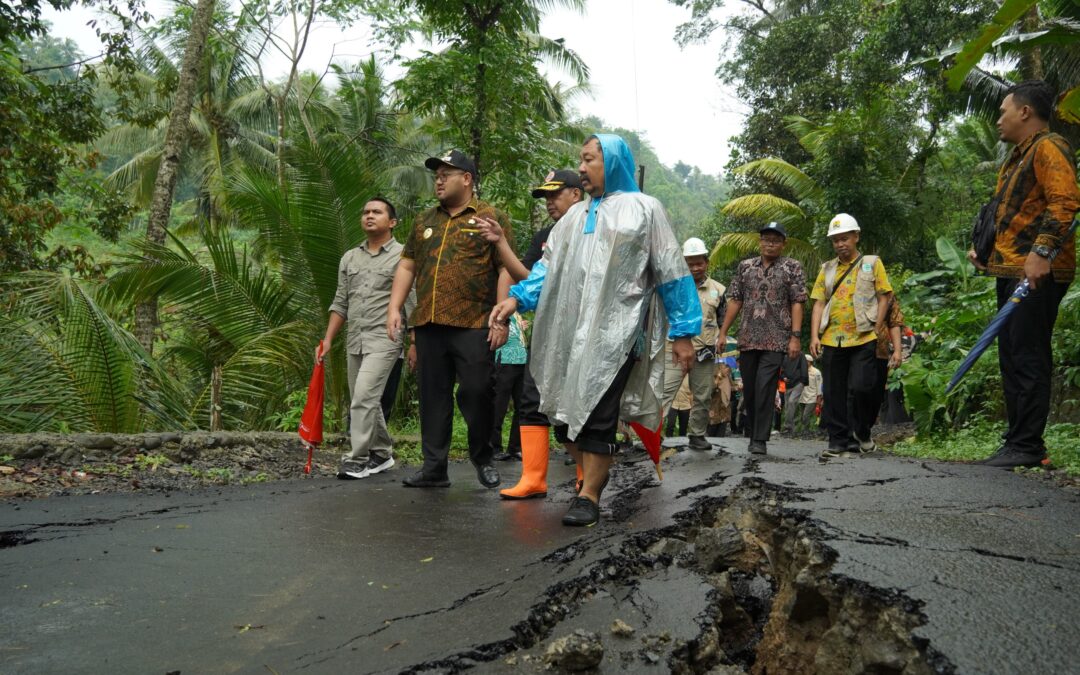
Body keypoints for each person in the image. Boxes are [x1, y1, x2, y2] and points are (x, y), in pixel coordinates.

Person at [490, 133, 701, 527]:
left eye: (590, 159)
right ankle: (590, 476)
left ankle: (589, 495)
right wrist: (516, 299)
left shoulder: (645, 209)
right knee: (561, 416)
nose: (582, 168)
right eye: (581, 160)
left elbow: (671, 271)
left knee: (599, 414)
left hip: (619, 336)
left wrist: (684, 332)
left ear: (613, 161)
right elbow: (546, 270)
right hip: (567, 336)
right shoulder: (572, 219)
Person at [966, 80, 1079, 469]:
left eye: (1004, 111)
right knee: (1012, 356)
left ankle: (1028, 444)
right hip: (1012, 268)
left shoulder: (1049, 147)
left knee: (1028, 355)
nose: (999, 119)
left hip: (1036, 272)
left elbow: (1065, 202)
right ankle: (1018, 441)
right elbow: (1011, 214)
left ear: (1025, 112)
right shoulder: (1017, 157)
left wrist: (1041, 253)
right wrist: (986, 253)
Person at [386, 150, 512, 489]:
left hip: (474, 322)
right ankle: (434, 468)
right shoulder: (424, 220)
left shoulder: (491, 217)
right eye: (436, 175)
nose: (439, 181)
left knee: (477, 391)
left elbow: (505, 269)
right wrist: (395, 307)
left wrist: (501, 318)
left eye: (446, 174)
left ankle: (483, 458)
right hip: (429, 323)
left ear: (467, 179)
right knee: (432, 397)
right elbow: (408, 265)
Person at [476, 169, 585, 500]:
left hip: (583, 332)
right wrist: (501, 243)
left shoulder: (593, 229)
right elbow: (531, 277)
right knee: (531, 399)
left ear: (576, 194)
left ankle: (586, 476)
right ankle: (533, 478)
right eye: (545, 196)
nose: (549, 201)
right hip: (547, 329)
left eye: (555, 194)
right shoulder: (545, 236)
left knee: (577, 403)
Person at [320, 197, 415, 480]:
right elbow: (341, 302)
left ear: (392, 222)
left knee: (363, 397)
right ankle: (382, 453)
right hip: (355, 339)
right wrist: (327, 340)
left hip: (386, 339)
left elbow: (412, 303)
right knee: (365, 398)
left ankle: (357, 459)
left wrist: (415, 343)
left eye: (377, 212)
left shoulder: (403, 257)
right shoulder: (350, 257)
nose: (369, 216)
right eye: (365, 212)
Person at [717, 222, 807, 455]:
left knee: (765, 386)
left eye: (776, 240)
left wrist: (795, 337)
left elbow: (798, 302)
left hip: (776, 339)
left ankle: (759, 439)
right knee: (750, 389)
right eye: (766, 239)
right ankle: (752, 432)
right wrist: (723, 332)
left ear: (783, 244)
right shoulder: (745, 267)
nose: (770, 244)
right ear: (760, 242)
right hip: (748, 338)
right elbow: (736, 300)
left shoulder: (792, 267)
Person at [809, 213, 893, 458]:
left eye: (844, 238)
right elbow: (818, 303)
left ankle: (861, 431)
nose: (840, 244)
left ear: (856, 237)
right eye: (835, 240)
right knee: (834, 393)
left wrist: (878, 325)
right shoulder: (827, 269)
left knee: (863, 387)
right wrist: (814, 336)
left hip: (864, 336)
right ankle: (838, 441)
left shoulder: (872, 263)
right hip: (832, 338)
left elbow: (885, 295)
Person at [659, 237, 726, 451]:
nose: (695, 268)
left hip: (704, 350)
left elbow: (723, 320)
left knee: (703, 395)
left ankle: (697, 435)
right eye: (690, 263)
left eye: (699, 263)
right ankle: (653, 435)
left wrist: (722, 337)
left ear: (706, 262)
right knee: (665, 391)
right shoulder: (672, 287)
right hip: (674, 348)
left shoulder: (719, 290)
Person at [490, 313, 528, 461]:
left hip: (522, 360)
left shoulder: (517, 312)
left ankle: (515, 447)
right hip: (504, 360)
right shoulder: (498, 309)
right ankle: (494, 448)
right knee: (498, 406)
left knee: (522, 406)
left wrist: (519, 327)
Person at [866, 294, 904, 428]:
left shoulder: (887, 293)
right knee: (855, 388)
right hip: (850, 347)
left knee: (877, 392)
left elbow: (894, 321)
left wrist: (898, 350)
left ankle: (865, 426)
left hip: (879, 350)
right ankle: (851, 428)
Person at [780, 348, 809, 434]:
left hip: (798, 382)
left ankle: (788, 426)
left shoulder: (800, 355)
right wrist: (783, 377)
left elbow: (804, 367)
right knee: (787, 406)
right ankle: (791, 427)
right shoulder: (784, 355)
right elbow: (781, 371)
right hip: (788, 384)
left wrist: (803, 381)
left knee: (791, 401)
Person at [795, 354, 823, 436]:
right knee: (802, 415)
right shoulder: (800, 371)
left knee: (806, 415)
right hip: (802, 396)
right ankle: (805, 431)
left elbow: (819, 385)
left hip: (812, 397)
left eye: (805, 361)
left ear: (810, 362)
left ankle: (806, 430)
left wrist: (819, 398)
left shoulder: (816, 372)